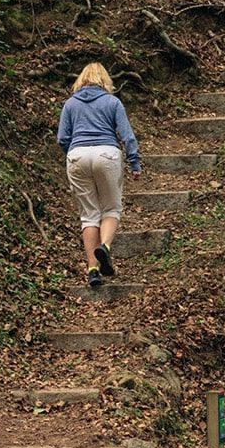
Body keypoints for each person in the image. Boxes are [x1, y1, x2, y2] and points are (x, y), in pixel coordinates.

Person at [56, 62, 142, 288]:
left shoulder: (70, 104)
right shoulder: (112, 102)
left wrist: (74, 155)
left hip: (77, 156)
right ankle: (105, 247)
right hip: (107, 154)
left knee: (89, 215)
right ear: (105, 80)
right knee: (111, 208)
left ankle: (93, 269)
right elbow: (127, 135)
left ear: (81, 79)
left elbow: (62, 138)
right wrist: (134, 162)